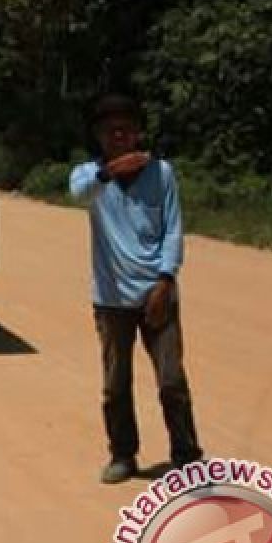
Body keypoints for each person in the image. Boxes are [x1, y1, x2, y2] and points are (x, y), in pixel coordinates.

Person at [69, 94, 203, 484]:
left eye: (126, 128)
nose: (119, 135)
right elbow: (79, 195)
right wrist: (110, 172)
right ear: (98, 135)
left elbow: (173, 229)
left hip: (157, 292)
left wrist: (165, 279)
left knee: (171, 380)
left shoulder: (161, 174)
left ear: (138, 131)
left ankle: (187, 455)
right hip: (111, 300)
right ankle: (123, 455)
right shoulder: (87, 176)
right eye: (110, 129)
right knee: (115, 383)